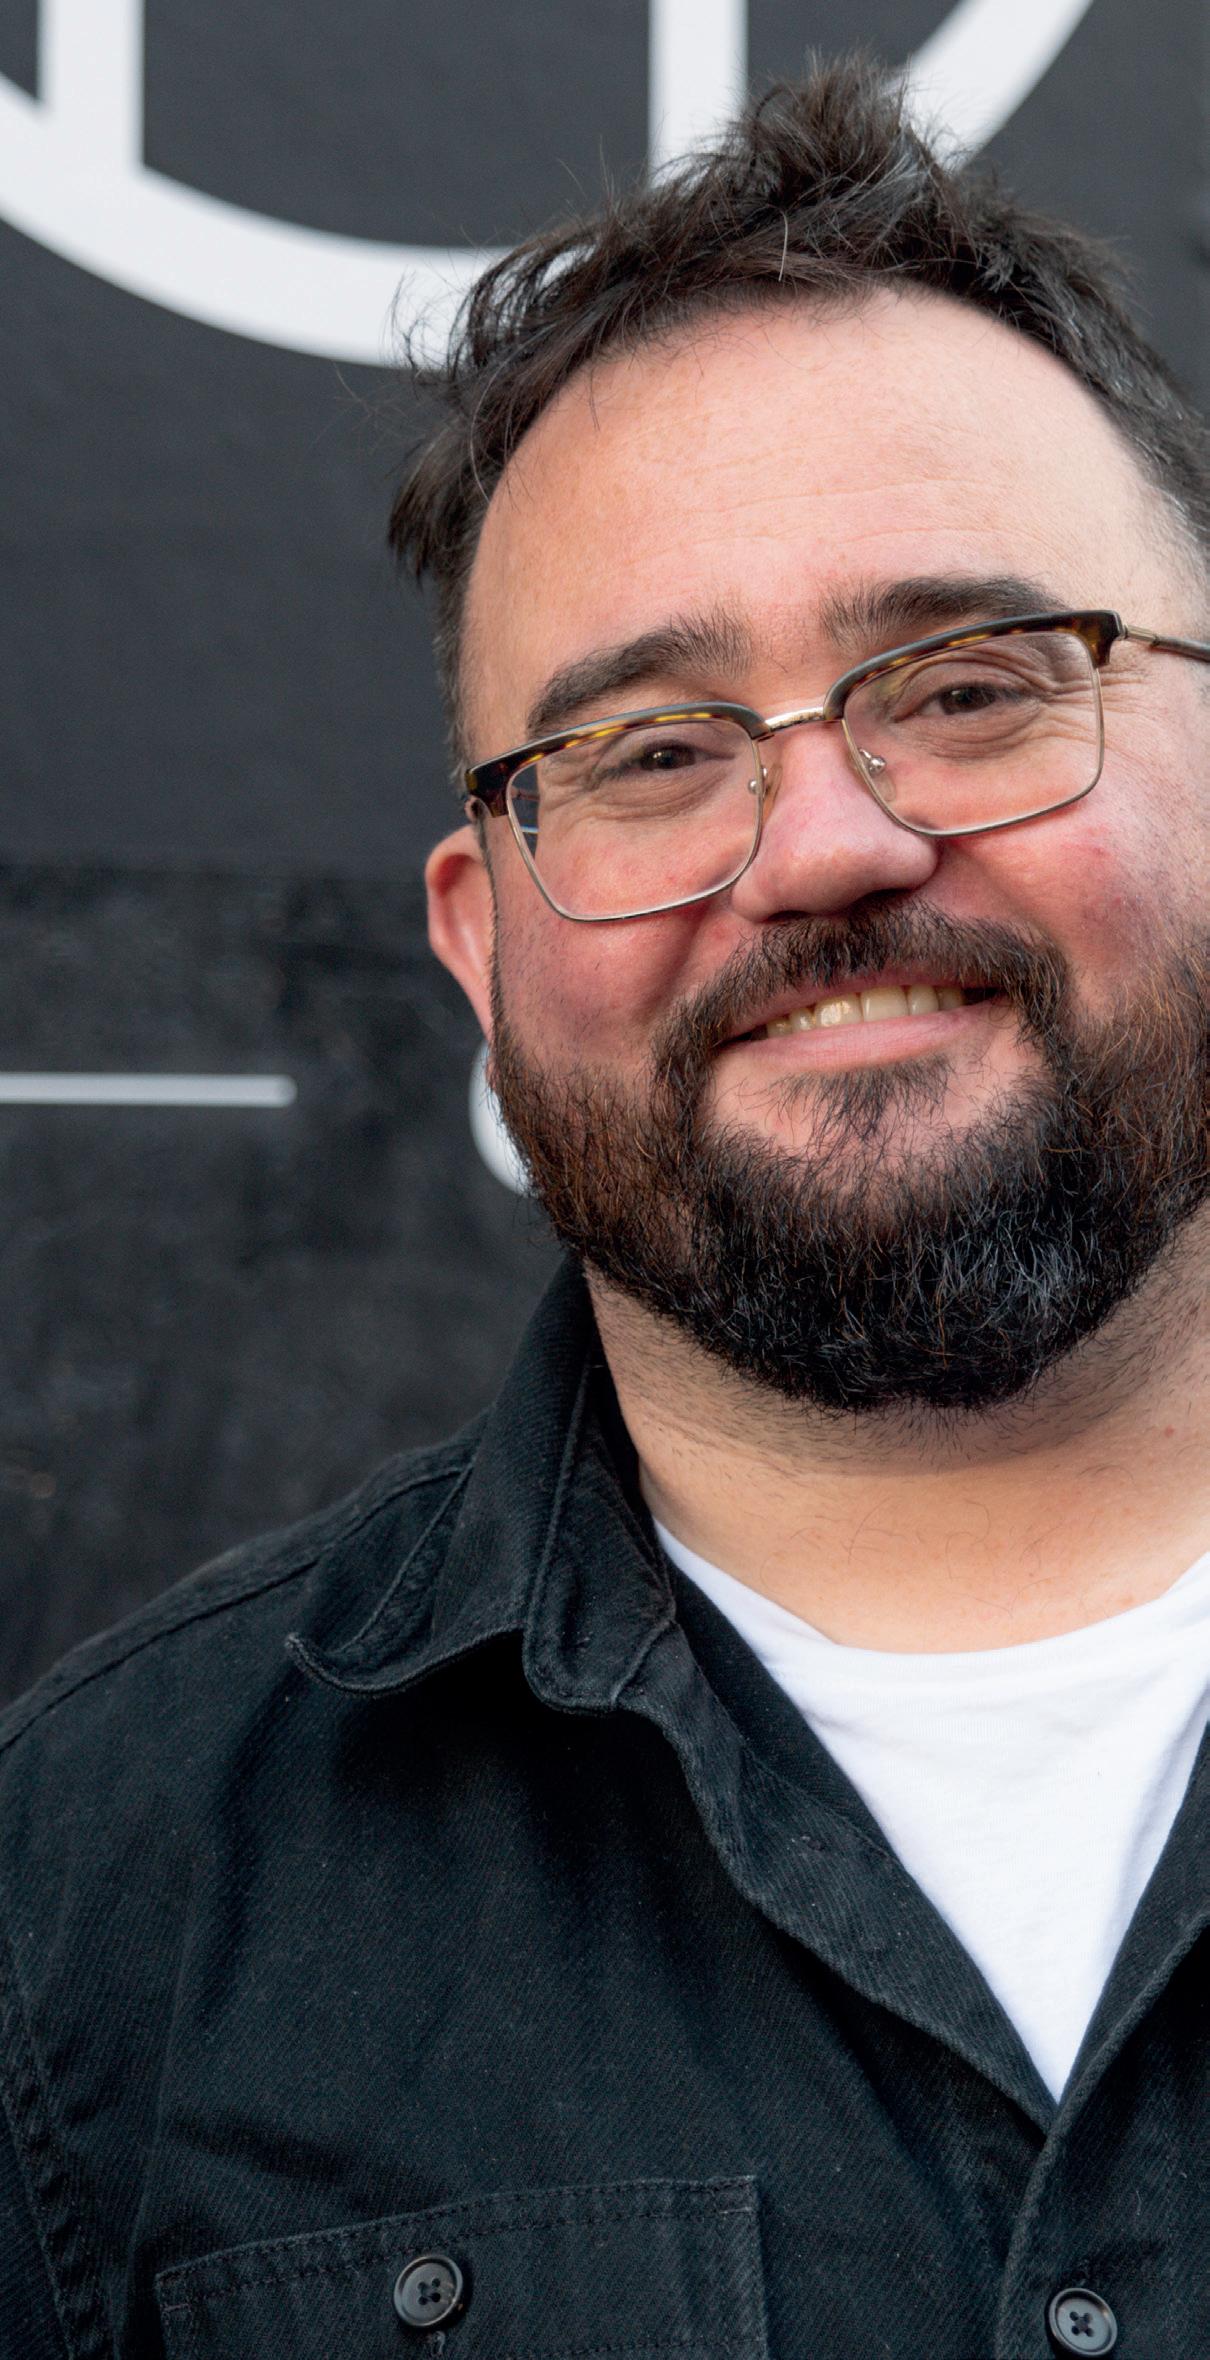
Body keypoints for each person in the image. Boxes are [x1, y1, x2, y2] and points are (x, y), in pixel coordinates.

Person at [1, 57, 1206, 2360]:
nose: (826, 844)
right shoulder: (94, 1905)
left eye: (967, 687)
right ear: (478, 947)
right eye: (648, 752)